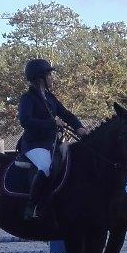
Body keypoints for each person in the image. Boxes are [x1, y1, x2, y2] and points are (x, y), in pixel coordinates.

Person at [16, 58, 84, 219]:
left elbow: (66, 114)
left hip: (51, 143)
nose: (52, 78)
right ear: (40, 78)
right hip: (34, 144)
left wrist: (79, 127)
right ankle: (33, 205)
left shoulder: (50, 97)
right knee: (45, 166)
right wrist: (51, 123)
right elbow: (25, 121)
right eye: (49, 75)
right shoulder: (27, 98)